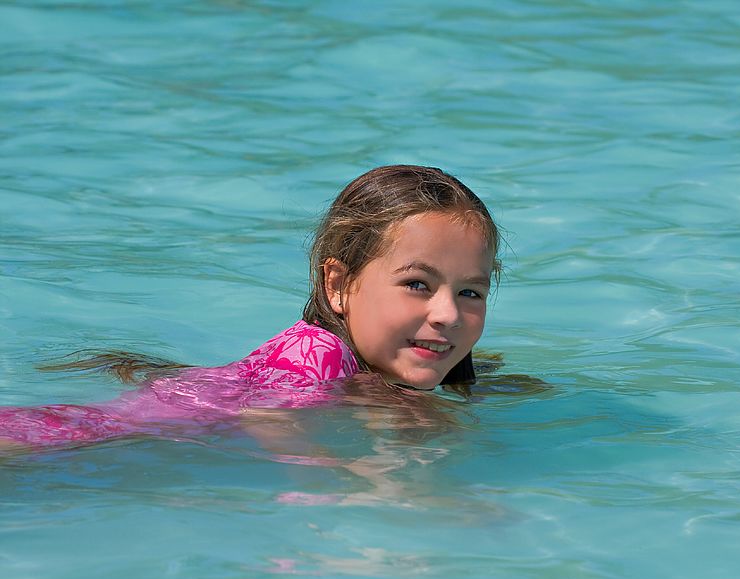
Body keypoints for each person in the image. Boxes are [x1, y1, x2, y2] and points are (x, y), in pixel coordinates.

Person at [0, 165, 502, 448]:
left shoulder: (380, 364)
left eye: (470, 292)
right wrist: (338, 483)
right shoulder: (317, 354)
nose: (448, 314)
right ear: (338, 286)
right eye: (417, 284)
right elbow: (272, 418)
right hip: (75, 439)